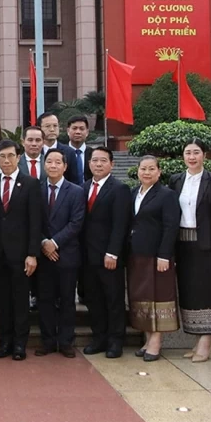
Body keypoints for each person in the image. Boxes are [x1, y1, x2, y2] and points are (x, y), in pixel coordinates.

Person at [168, 141, 211, 363]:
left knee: (208, 291)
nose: (192, 156)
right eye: (188, 153)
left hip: (207, 245)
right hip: (183, 245)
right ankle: (197, 339)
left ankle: (207, 341)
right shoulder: (176, 180)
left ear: (204, 155)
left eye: (196, 152)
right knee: (190, 292)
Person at [0, 139, 42, 359]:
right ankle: (5, 342)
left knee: (20, 301)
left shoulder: (30, 184)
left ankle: (20, 344)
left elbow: (35, 222)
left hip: (21, 255)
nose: (7, 160)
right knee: (2, 301)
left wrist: (32, 254)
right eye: (2, 156)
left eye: (11, 156)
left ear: (18, 158)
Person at [127, 156, 181, 362]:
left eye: (151, 169)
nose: (146, 172)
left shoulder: (166, 195)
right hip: (136, 254)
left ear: (159, 172)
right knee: (142, 297)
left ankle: (156, 341)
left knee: (158, 296)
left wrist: (164, 254)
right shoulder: (134, 193)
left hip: (157, 255)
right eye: (143, 168)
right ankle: (148, 338)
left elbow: (171, 226)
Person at [81, 147, 132, 358]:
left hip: (109, 256)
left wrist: (113, 253)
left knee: (113, 300)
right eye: (94, 160)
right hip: (86, 256)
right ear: (89, 163)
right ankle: (99, 338)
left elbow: (121, 224)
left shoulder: (119, 189)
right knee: (94, 300)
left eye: (103, 160)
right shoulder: (82, 188)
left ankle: (115, 341)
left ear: (111, 164)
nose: (98, 164)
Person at [36, 148, 84, 358]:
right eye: (49, 162)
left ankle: (66, 341)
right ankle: (47, 341)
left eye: (58, 162)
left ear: (65, 166)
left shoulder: (76, 191)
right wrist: (44, 243)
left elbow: (76, 223)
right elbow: (31, 220)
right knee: (44, 299)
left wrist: (54, 243)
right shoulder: (34, 189)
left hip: (67, 254)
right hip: (42, 255)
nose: (53, 166)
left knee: (66, 300)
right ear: (44, 165)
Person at [38, 113, 82, 186]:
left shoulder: (69, 152)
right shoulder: (36, 151)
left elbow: (74, 181)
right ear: (39, 128)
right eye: (48, 126)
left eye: (55, 126)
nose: (52, 129)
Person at [65, 116, 94, 182]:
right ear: (68, 131)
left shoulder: (93, 154)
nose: (78, 132)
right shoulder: (60, 153)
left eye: (81, 129)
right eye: (74, 128)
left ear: (87, 132)